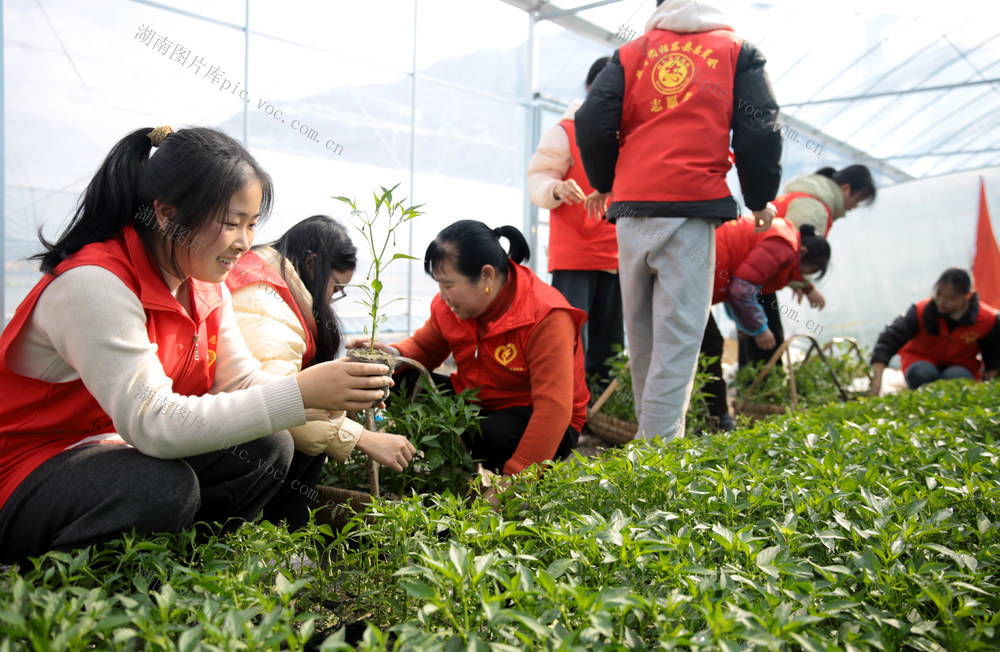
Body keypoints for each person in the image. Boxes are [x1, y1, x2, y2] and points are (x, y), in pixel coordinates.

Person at [0, 126, 392, 563]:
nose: (245, 244)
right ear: (166, 215)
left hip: (110, 453)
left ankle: (192, 571)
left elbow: (239, 379)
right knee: (162, 487)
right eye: (230, 224)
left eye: (252, 224)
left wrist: (326, 394)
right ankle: (73, 599)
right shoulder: (94, 284)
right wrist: (299, 393)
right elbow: (153, 421)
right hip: (23, 474)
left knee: (269, 446)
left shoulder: (201, 281)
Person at [575, 0, 782, 441]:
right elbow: (760, 128)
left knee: (644, 338)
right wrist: (761, 197)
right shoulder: (736, 51)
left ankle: (648, 453)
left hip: (632, 212)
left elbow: (592, 120)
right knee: (679, 340)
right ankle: (658, 459)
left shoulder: (632, 53)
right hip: (690, 208)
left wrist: (606, 179)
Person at [350, 220, 589, 497]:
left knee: (491, 435)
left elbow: (553, 411)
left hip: (535, 417)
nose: (442, 295)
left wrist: (513, 481)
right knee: (397, 382)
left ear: (486, 276)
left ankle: (516, 478)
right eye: (439, 284)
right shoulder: (450, 306)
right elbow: (425, 349)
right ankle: (447, 467)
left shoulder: (545, 315)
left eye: (448, 285)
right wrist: (390, 355)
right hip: (475, 401)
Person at [226, 215, 415, 529]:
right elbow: (277, 400)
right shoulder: (264, 305)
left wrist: (343, 403)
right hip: (230, 443)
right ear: (313, 264)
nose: (332, 297)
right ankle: (276, 537)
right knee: (302, 440)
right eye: (337, 287)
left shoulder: (267, 272)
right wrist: (363, 438)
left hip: (227, 423)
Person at [527, 56, 623, 388]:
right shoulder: (565, 131)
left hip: (618, 254)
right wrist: (555, 187)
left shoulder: (626, 134)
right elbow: (537, 181)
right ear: (587, 88)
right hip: (576, 254)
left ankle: (601, 407)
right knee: (569, 337)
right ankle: (567, 402)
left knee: (610, 342)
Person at [740, 165, 877, 367]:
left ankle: (751, 388)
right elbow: (794, 250)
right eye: (858, 200)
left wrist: (802, 283)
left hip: (754, 272)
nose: (855, 207)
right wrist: (807, 286)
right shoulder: (814, 206)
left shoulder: (810, 197)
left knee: (757, 337)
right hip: (756, 274)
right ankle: (760, 391)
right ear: (847, 189)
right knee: (767, 343)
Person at [700, 218, 831, 429]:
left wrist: (744, 324)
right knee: (709, 345)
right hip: (697, 274)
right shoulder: (783, 246)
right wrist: (759, 329)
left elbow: (736, 285)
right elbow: (741, 290)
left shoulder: (784, 235)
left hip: (704, 275)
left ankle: (713, 416)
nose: (805, 276)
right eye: (809, 270)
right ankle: (712, 419)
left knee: (709, 344)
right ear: (804, 252)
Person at [871, 268, 1000, 395]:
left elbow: (994, 355)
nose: (942, 303)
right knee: (922, 372)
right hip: (920, 362)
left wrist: (991, 385)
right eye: (938, 295)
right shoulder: (920, 311)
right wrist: (876, 384)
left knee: (958, 377)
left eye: (950, 299)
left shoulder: (987, 319)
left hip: (961, 366)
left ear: (968, 296)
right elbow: (890, 338)